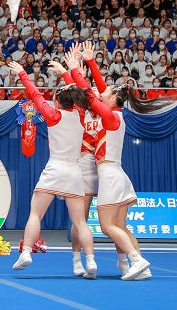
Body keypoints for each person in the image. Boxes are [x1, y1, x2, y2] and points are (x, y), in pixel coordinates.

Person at [65, 44, 156, 280]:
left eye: (106, 92)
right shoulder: (114, 113)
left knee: (107, 227)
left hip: (109, 175)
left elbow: (88, 94)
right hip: (116, 173)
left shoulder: (109, 115)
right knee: (121, 227)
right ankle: (139, 267)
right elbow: (97, 93)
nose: (101, 92)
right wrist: (90, 62)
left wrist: (75, 69)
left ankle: (137, 260)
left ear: (113, 98)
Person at [8, 59, 96, 277]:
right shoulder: (80, 114)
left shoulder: (53, 115)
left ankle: (27, 251)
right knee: (80, 222)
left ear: (57, 101)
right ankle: (91, 260)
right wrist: (66, 73)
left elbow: (35, 94)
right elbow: (78, 94)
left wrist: (22, 72)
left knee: (36, 213)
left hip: (55, 168)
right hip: (75, 171)